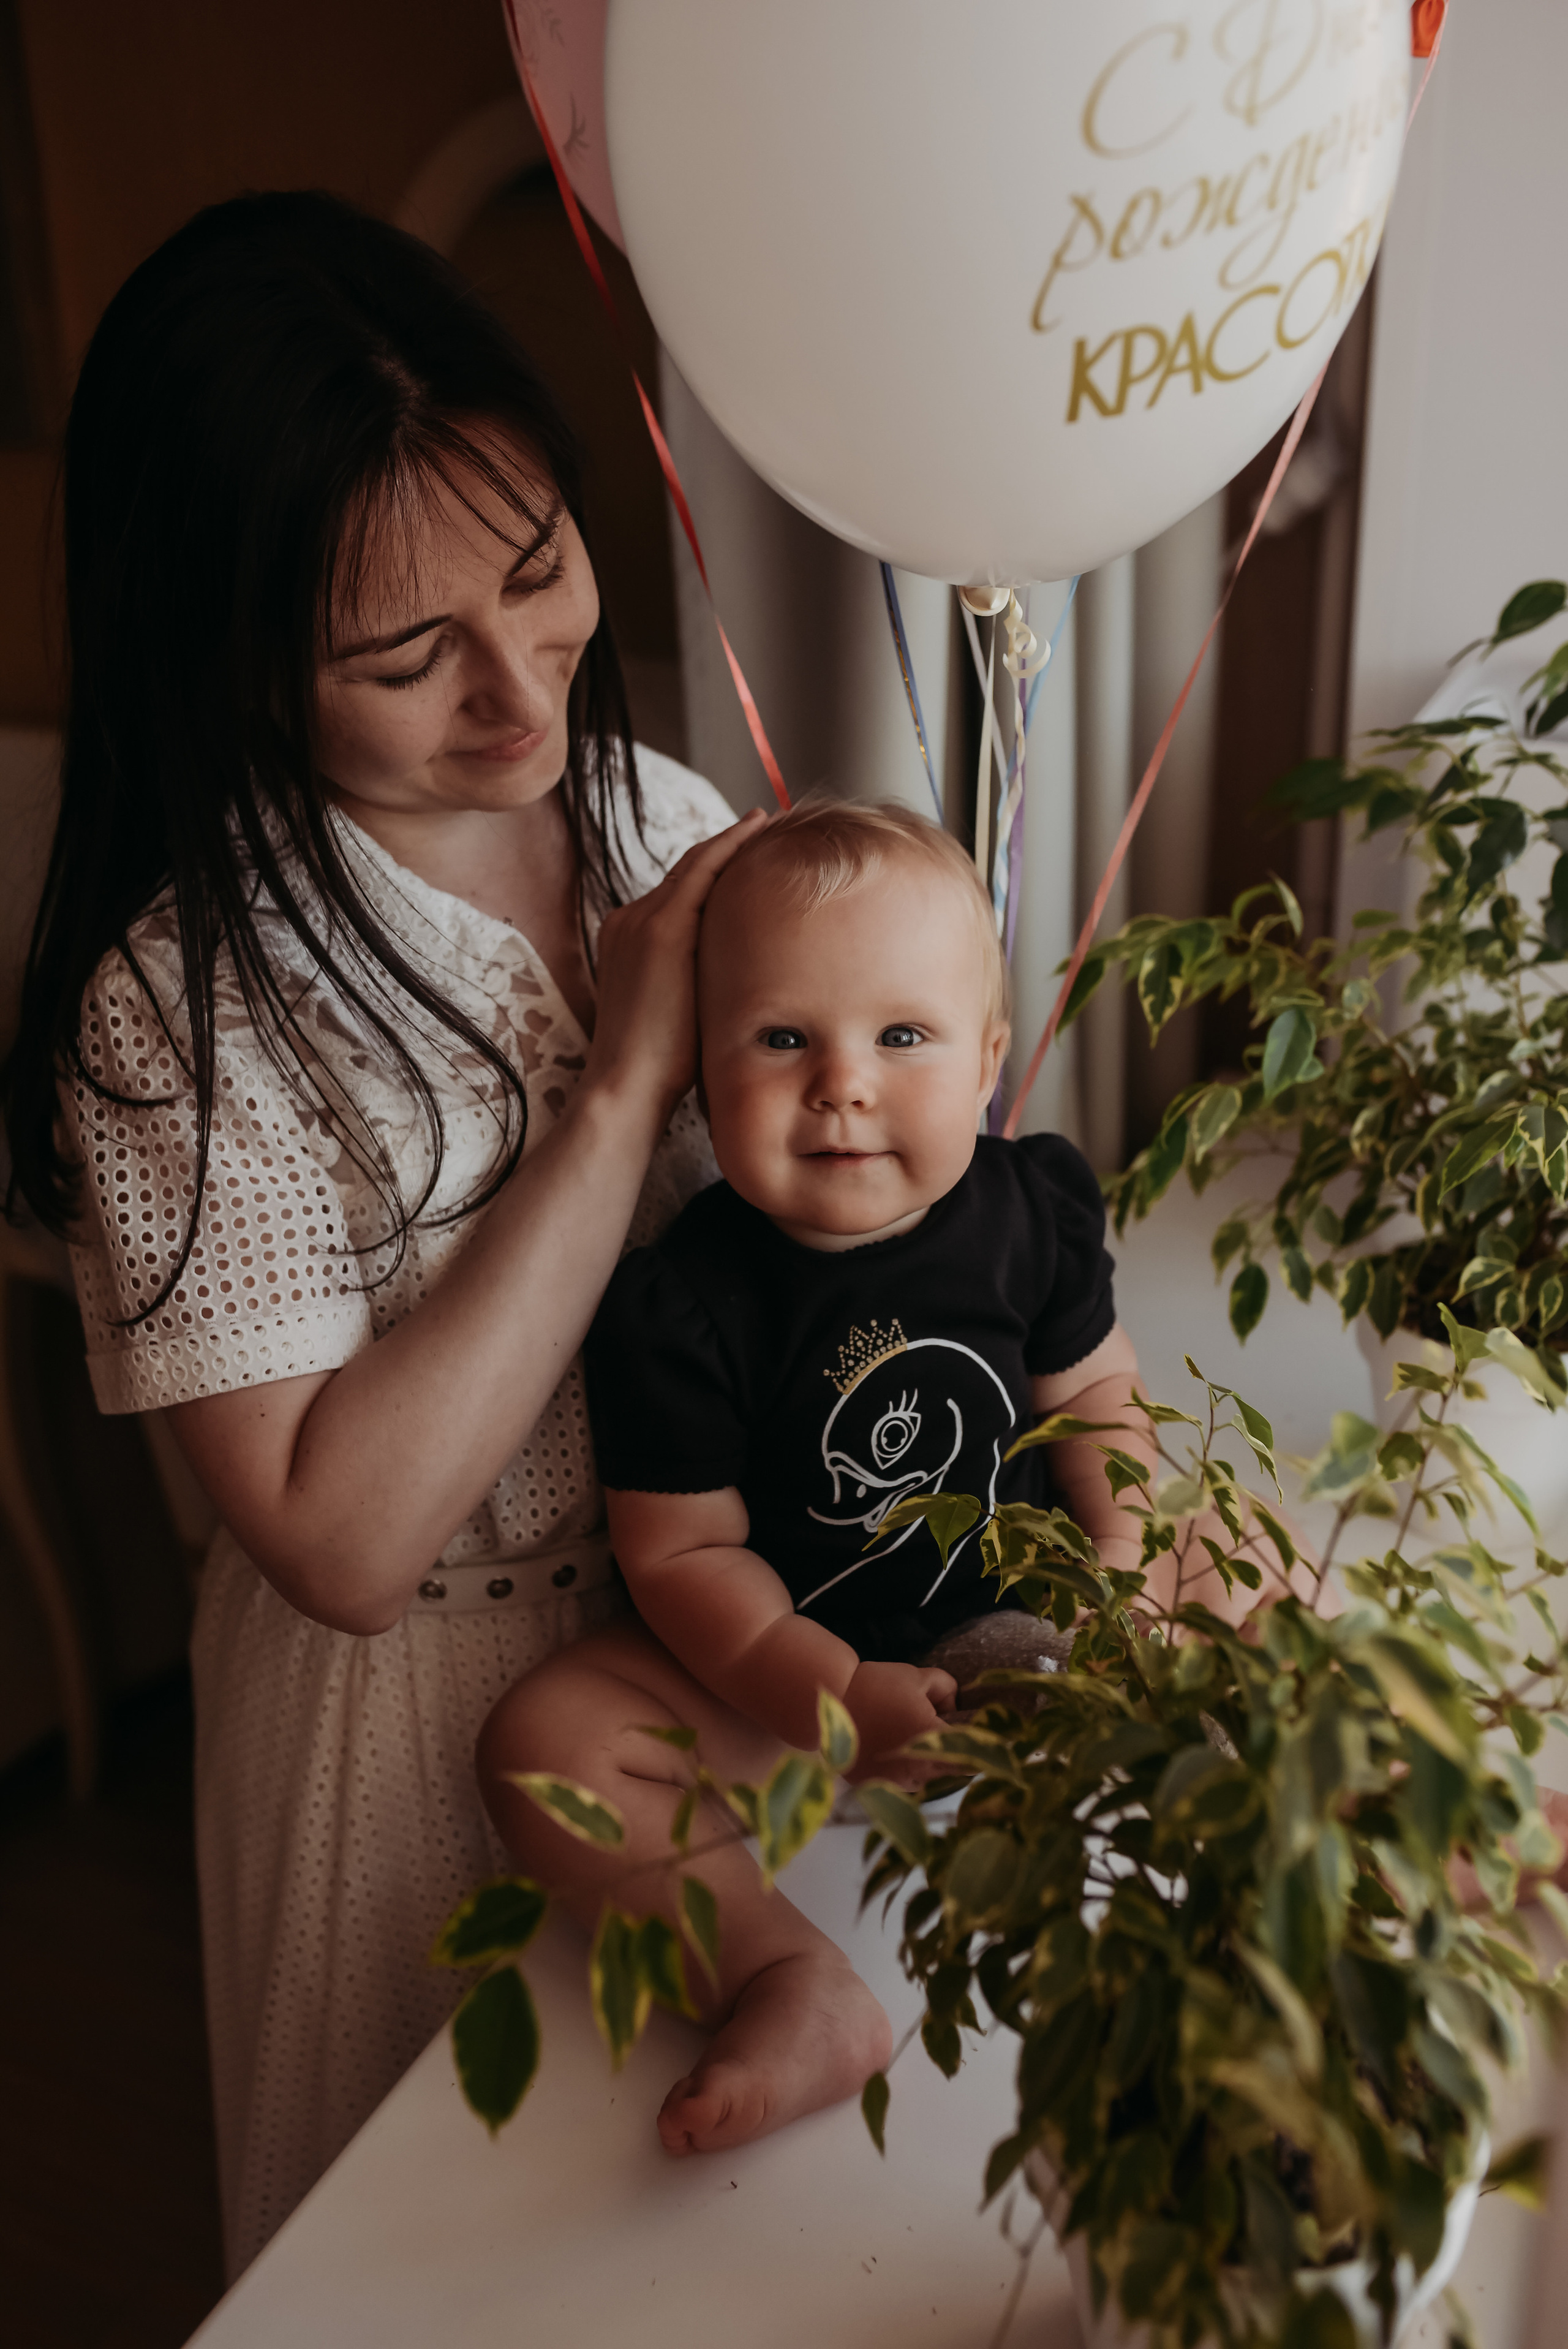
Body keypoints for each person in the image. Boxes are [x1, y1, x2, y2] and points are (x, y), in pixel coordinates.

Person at [1, 189, 764, 2277]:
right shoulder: (179, 1010)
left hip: (717, 1633)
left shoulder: (663, 821)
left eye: (538, 575)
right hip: (416, 1732)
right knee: (450, 2270)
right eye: (407, 658)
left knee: (734, 2235)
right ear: (233, 658)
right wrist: (621, 1087)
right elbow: (342, 1540)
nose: (518, 692)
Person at [478, 800, 1185, 2159]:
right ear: (699, 1077)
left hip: (1049, 1622)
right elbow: (682, 1555)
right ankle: (781, 1975)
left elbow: (1098, 1400)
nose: (842, 1083)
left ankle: (1405, 1811)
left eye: (901, 1036)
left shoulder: (1027, 1209)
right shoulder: (680, 1305)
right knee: (544, 1744)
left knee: (1246, 1550)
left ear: (987, 1060)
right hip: (804, 1676)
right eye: (782, 1038)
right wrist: (827, 1694)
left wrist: (1126, 1566)